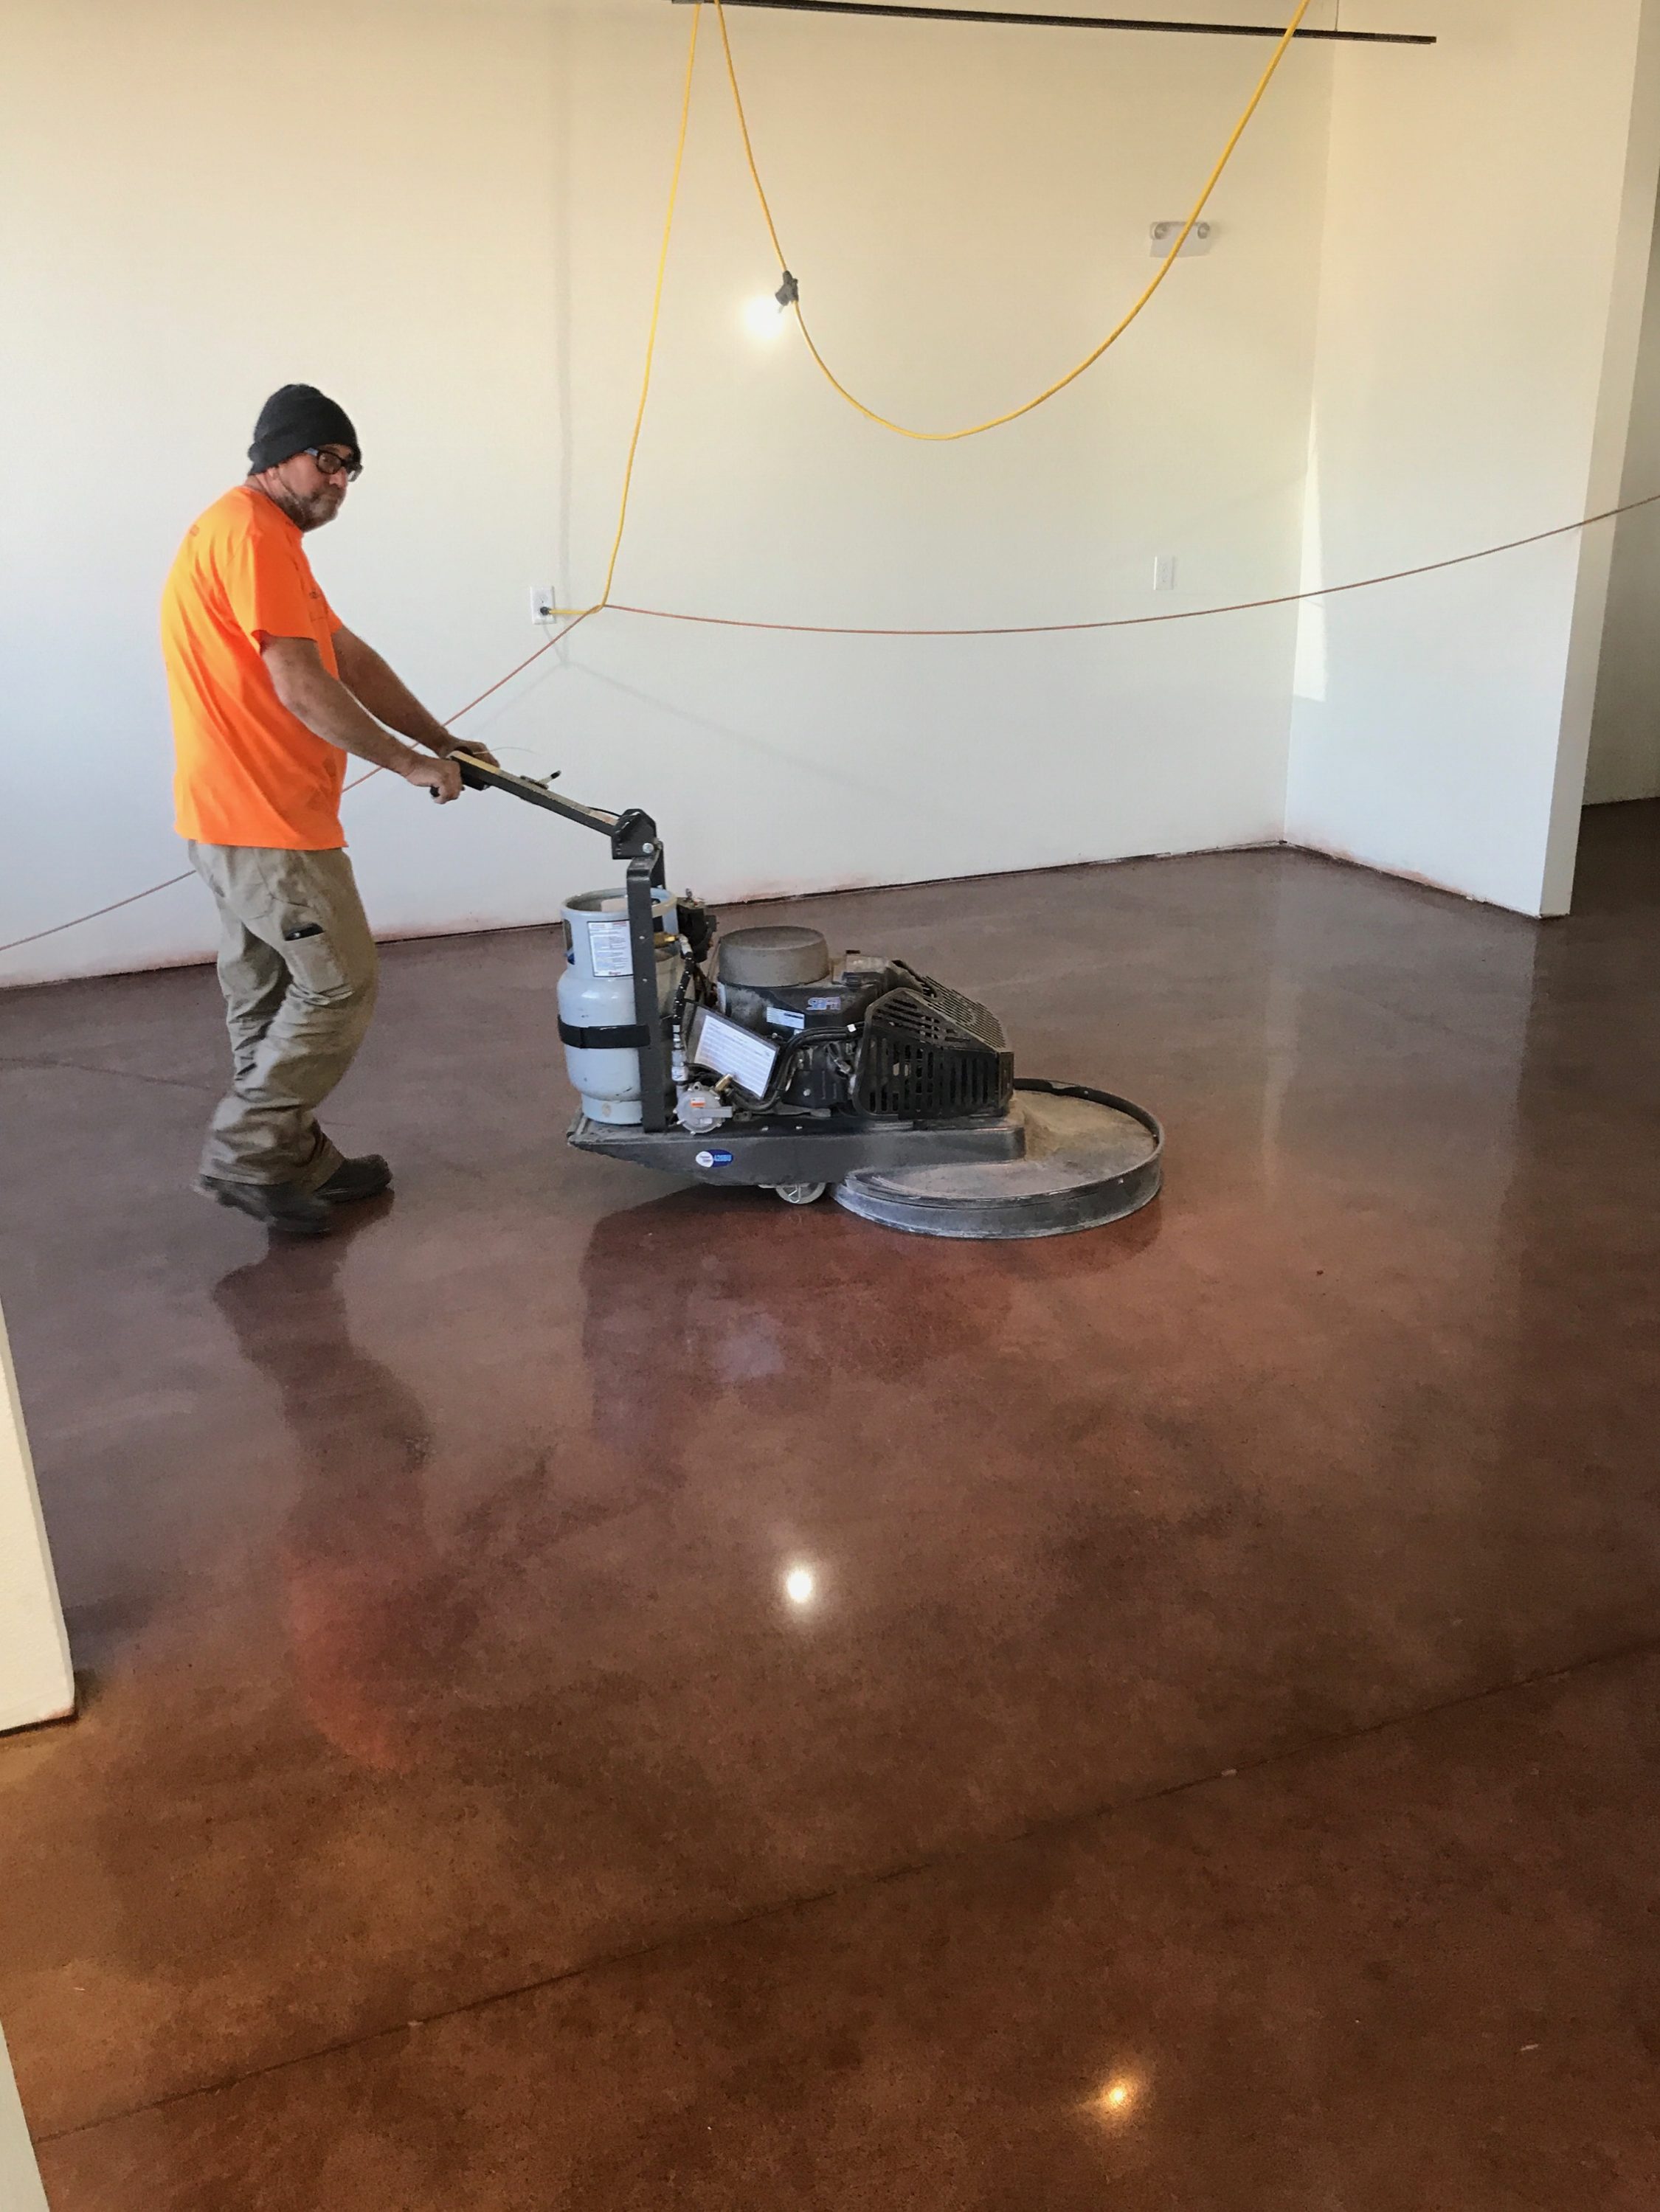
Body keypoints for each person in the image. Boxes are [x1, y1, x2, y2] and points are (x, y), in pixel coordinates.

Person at [160, 384, 496, 1237]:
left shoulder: (265, 539)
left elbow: (346, 657)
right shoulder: (249, 534)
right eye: (328, 459)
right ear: (277, 454)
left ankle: (290, 1158)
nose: (340, 480)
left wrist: (443, 739)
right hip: (266, 817)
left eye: (352, 468)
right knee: (341, 983)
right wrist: (409, 764)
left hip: (230, 813)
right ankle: (247, 1149)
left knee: (267, 994)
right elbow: (302, 683)